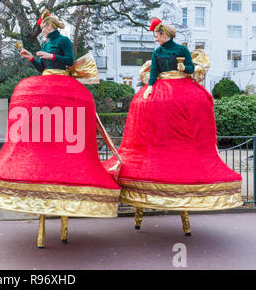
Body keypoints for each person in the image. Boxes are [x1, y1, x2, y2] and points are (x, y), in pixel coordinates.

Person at [102, 18, 242, 234]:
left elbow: (190, 68)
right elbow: (155, 71)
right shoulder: (157, 52)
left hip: (181, 84)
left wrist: (183, 67)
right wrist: (149, 87)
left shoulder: (181, 49)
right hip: (161, 85)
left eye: (157, 35)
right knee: (145, 107)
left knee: (190, 108)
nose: (156, 38)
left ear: (165, 34)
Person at [20, 9, 75, 75]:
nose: (42, 31)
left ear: (49, 26)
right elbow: (41, 69)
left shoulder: (64, 40)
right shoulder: (45, 46)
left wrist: (52, 56)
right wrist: (31, 57)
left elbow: (70, 61)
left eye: (43, 28)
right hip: (46, 80)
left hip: (61, 79)